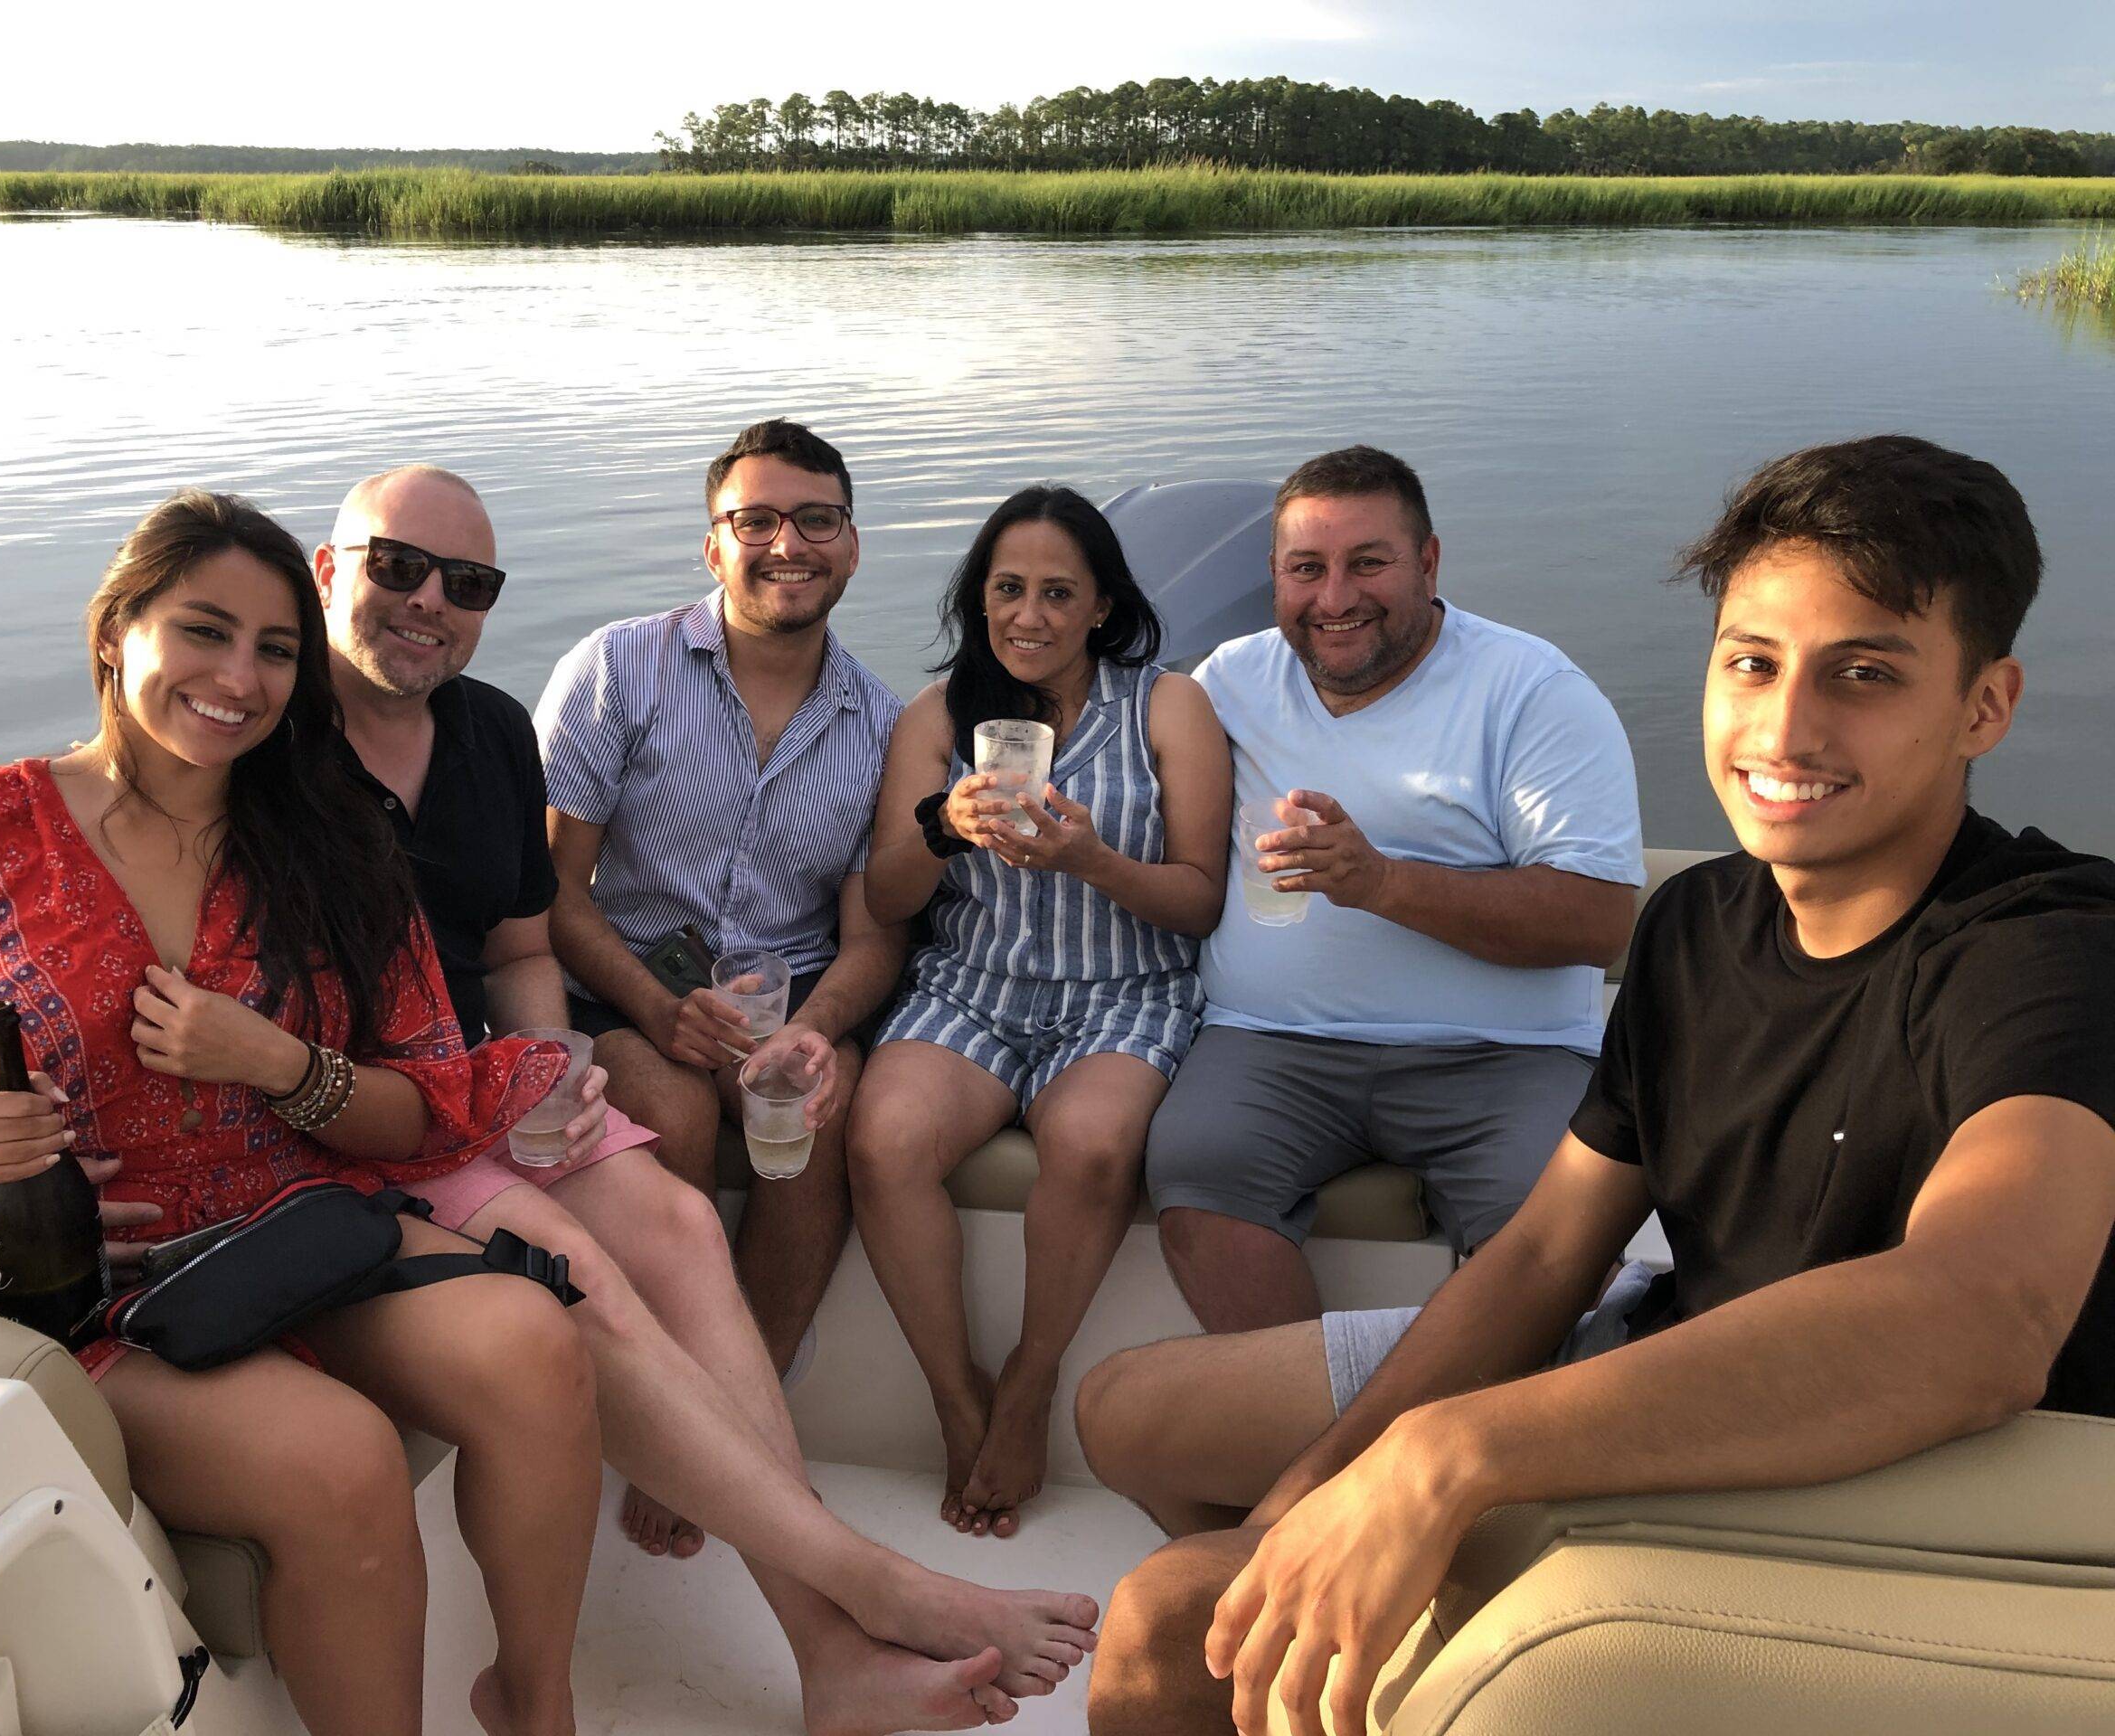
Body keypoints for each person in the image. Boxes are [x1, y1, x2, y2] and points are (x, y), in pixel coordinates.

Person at [1076, 434, 2115, 1736]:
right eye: (1752, 663)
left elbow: (1982, 1316)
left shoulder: (2047, 949)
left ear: (1985, 706)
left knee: (1171, 1626)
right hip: (1668, 1343)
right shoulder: (1698, 929)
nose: (1785, 728)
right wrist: (1324, 1499)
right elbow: (1544, 1256)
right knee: (1130, 1413)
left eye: (1864, 674)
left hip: (1917, 1461)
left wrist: (1459, 1457)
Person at [317, 464, 1101, 1729]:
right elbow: (557, 918)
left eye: (464, 583)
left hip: (534, 1059)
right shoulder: (579, 681)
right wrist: (615, 1023)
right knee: (625, 1211)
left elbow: (517, 942)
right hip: (527, 1045)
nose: (428, 600)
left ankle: (813, 1620)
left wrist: (564, 1056)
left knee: (707, 1207)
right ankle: (844, 1579)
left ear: (852, 549)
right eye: (395, 567)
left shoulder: (486, 734)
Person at [0, 491, 596, 1736]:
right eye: (205, 631)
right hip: (83, 1293)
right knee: (338, 1458)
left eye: (276, 650)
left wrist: (284, 1063)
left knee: (539, 1346)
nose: (240, 677)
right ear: (117, 632)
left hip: (296, 1232)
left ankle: (533, 1706)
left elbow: (421, 1110)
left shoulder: (328, 842)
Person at [1145, 445, 1645, 1332]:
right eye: (1306, 569)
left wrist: (1378, 882)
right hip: (1270, 1043)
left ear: (1428, 562)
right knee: (1196, 1177)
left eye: (1367, 563)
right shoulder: (1228, 680)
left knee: (1562, 1236)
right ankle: (1310, 1439)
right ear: (1272, 576)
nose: (1334, 598)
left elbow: (1599, 922)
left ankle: (1472, 1453)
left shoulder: (1532, 693)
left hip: (1504, 1053)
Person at [849, 486, 1229, 1539]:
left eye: (1058, 593)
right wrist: (938, 829)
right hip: (977, 987)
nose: (1029, 615)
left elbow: (1199, 898)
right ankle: (952, 1392)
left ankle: (1027, 1380)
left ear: (1101, 605)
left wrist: (1092, 859)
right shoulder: (936, 717)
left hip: (1125, 988)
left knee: (1094, 1141)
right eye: (1007, 589)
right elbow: (885, 901)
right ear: (979, 599)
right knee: (881, 1141)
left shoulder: (1168, 707)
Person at [535, 418, 906, 1385]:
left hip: (790, 994)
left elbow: (872, 938)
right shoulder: (618, 670)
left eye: (818, 520)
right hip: (622, 984)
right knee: (672, 1114)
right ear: (714, 544)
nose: (789, 545)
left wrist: (816, 1031)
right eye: (757, 521)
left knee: (815, 1118)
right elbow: (551, 894)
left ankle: (756, 1389)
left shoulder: (881, 725)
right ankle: (678, 1387)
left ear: (853, 545)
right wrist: (656, 1008)